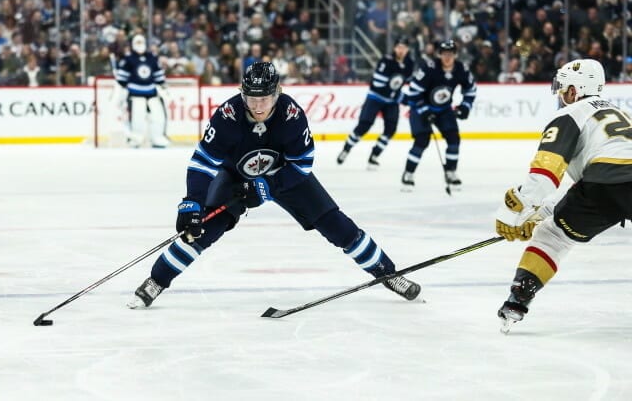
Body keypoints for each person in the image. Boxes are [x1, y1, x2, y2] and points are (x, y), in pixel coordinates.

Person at [127, 62, 421, 309]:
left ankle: (389, 274)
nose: (258, 106)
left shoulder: (291, 114)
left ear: (277, 92)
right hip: (235, 176)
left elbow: (302, 164)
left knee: (337, 226)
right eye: (251, 98)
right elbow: (202, 162)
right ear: (242, 93)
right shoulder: (228, 115)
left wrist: (266, 186)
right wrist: (192, 201)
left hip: (284, 175)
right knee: (201, 229)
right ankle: (156, 281)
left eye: (264, 98)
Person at [494, 59, 632, 333]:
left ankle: (517, 301)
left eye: (562, 88)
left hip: (604, 184)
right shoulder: (622, 113)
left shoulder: (571, 114)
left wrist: (512, 214)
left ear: (573, 91)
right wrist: (540, 213)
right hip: (605, 179)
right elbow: (582, 184)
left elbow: (545, 175)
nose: (559, 94)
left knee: (553, 236)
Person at [400, 39, 477, 190]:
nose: (447, 57)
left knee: (453, 138)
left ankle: (451, 172)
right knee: (422, 141)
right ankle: (408, 173)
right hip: (420, 108)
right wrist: (424, 110)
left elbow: (471, 90)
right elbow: (413, 92)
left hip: (443, 109)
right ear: (439, 54)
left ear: (455, 55)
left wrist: (465, 107)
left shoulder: (461, 69)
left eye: (450, 54)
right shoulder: (429, 68)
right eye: (444, 54)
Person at [337, 36, 414, 168]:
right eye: (399, 47)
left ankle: (374, 155)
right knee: (364, 125)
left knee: (390, 130)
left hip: (391, 102)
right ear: (394, 48)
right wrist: (402, 98)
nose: (401, 50)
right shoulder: (386, 61)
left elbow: (407, 82)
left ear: (407, 49)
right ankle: (346, 149)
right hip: (375, 98)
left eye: (404, 47)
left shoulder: (409, 64)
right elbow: (378, 84)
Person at [115, 34, 170, 148]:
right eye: (137, 42)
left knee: (158, 116)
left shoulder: (152, 58)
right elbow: (121, 80)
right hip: (135, 94)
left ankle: (158, 138)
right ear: (133, 44)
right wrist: (121, 93)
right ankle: (136, 138)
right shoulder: (128, 59)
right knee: (137, 117)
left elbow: (159, 76)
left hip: (152, 93)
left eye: (141, 42)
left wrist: (164, 88)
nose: (140, 45)